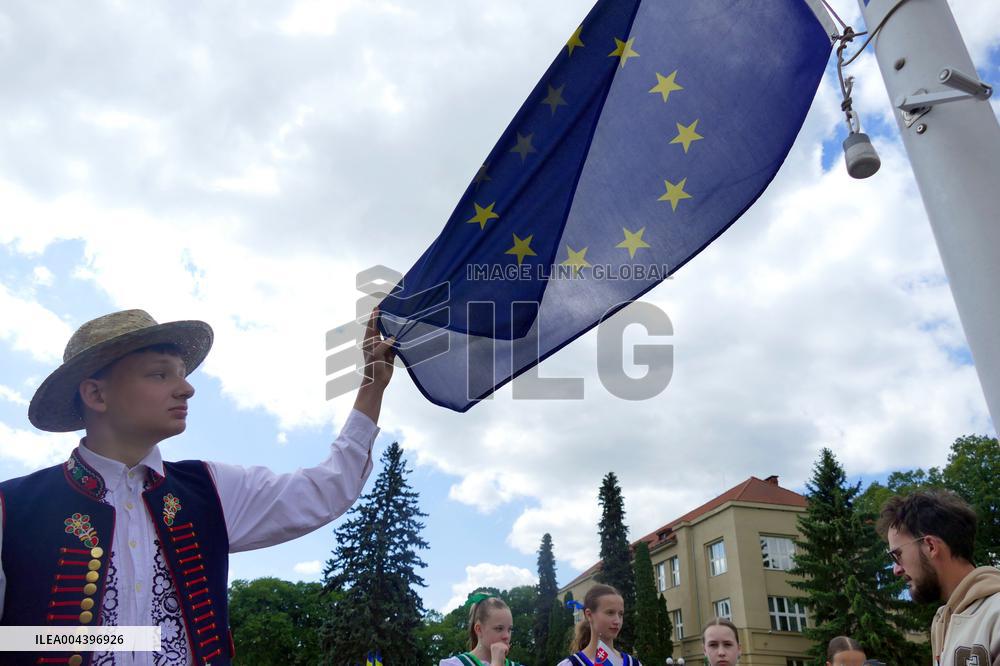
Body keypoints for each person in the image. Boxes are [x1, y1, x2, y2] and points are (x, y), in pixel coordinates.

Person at [0, 308, 396, 666]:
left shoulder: (211, 489)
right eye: (160, 374)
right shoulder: (11, 508)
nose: (186, 389)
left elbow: (324, 489)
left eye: (182, 375)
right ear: (96, 394)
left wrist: (371, 386)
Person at [878, 489, 1000, 666]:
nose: (896, 570)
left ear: (930, 546)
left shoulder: (995, 614)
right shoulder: (942, 622)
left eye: (897, 555)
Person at [557, 584, 640, 666]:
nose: (617, 621)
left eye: (620, 614)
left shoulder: (633, 663)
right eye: (610, 612)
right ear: (589, 615)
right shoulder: (571, 664)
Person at [439, 595, 522, 666]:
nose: (506, 636)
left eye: (509, 629)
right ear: (479, 629)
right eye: (499, 628)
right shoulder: (455, 664)